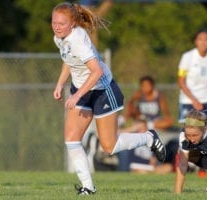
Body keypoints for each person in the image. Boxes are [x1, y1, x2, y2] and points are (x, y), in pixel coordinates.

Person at [51, 2, 166, 195]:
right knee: (71, 139)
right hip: (82, 90)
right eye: (54, 22)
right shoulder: (59, 38)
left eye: (61, 23)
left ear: (73, 24)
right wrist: (60, 84)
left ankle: (148, 138)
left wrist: (77, 94)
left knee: (109, 146)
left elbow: (96, 72)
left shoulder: (78, 39)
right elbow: (68, 61)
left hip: (103, 90)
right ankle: (88, 187)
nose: (56, 26)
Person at [117, 75, 175, 172]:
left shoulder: (159, 96)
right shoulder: (138, 95)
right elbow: (129, 109)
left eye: (148, 85)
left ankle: (155, 162)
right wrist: (128, 117)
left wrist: (150, 124)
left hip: (154, 124)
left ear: (152, 86)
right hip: (140, 125)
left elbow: (167, 117)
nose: (145, 88)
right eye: (143, 86)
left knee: (168, 122)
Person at [177, 29, 207, 122]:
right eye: (200, 39)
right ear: (196, 41)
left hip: (206, 100)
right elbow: (181, 81)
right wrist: (194, 100)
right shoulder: (187, 56)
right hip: (188, 101)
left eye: (206, 39)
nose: (203, 42)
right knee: (189, 129)